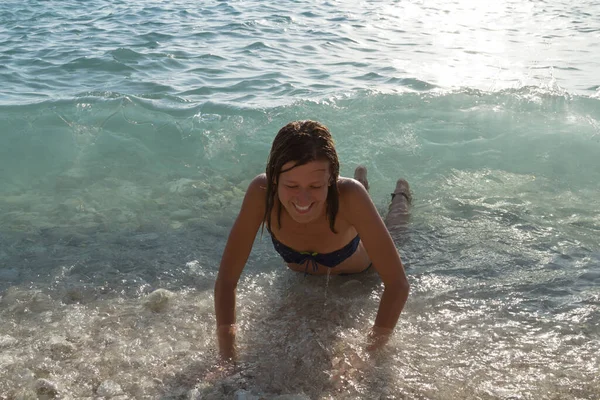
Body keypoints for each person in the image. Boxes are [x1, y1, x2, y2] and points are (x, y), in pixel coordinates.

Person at [214, 120, 411, 360]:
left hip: (359, 264)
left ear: (331, 179)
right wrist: (226, 355)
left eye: (315, 185)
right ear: (274, 178)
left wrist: (368, 353)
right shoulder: (262, 194)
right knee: (352, 199)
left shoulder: (348, 196)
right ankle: (362, 182)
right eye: (292, 185)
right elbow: (226, 280)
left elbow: (398, 284)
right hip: (341, 211)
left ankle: (401, 193)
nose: (303, 198)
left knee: (396, 225)